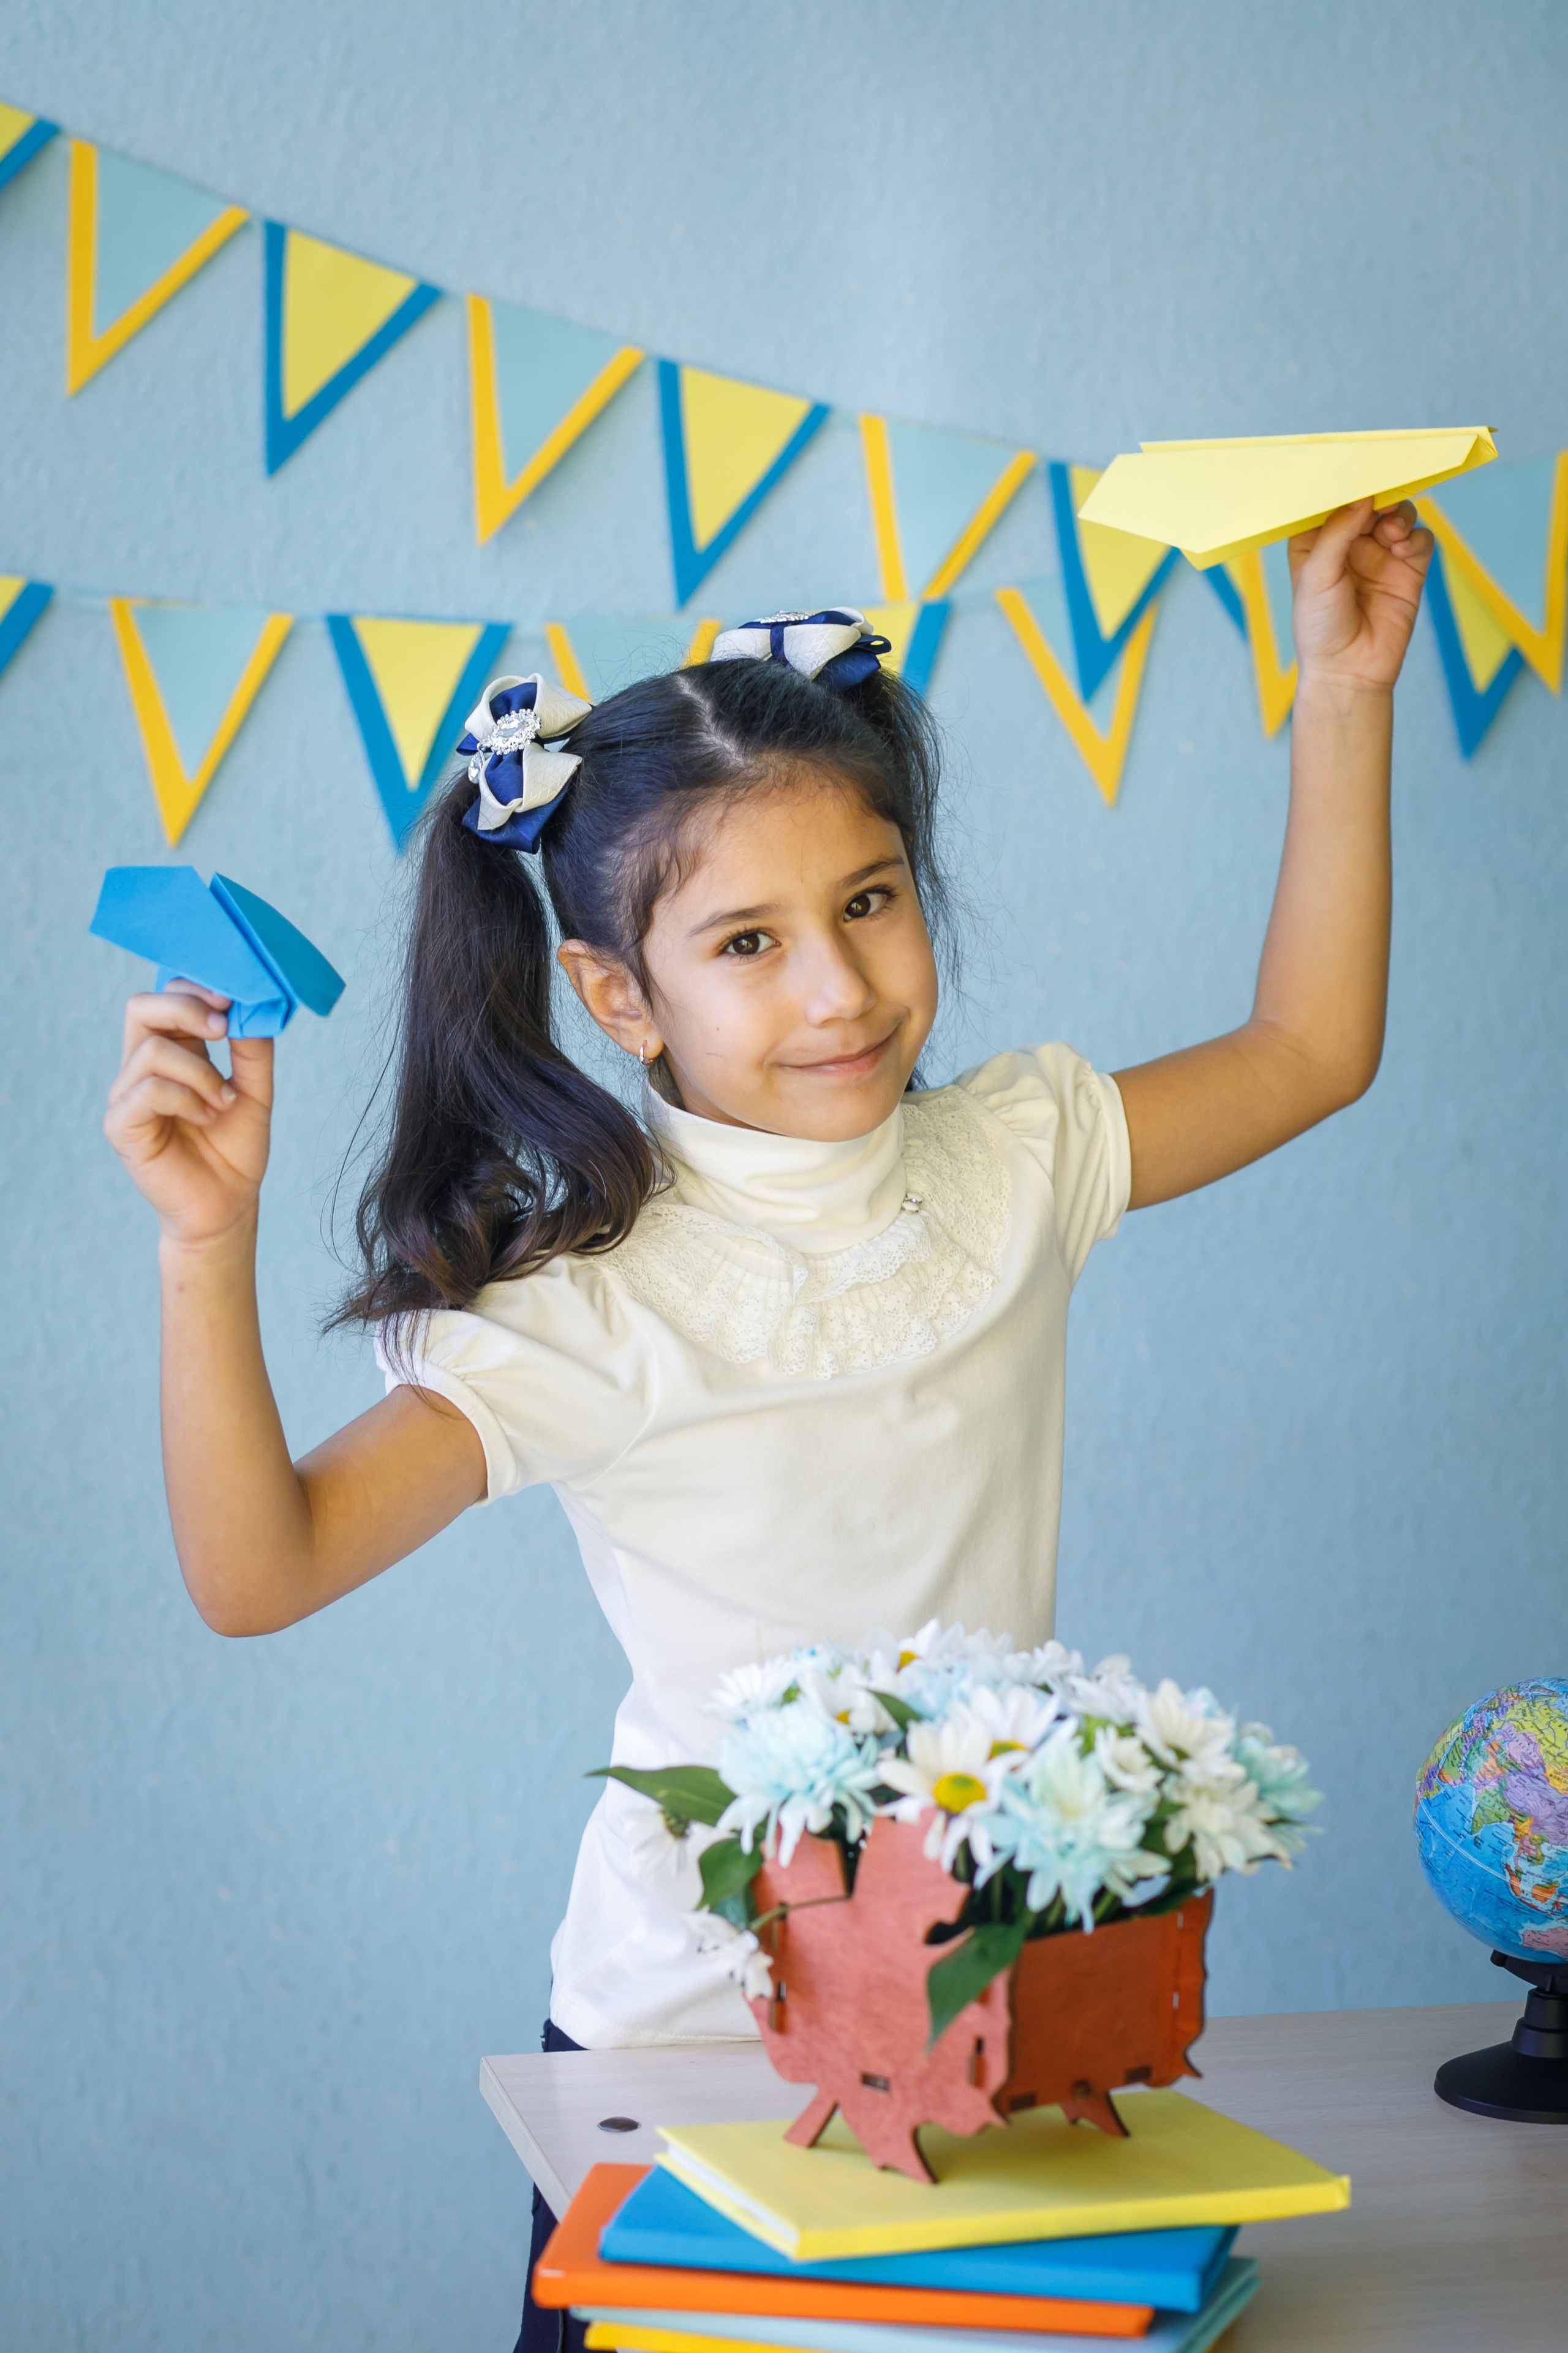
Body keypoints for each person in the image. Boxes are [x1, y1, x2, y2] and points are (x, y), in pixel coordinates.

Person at [105, 501, 1431, 2348]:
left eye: (869, 901)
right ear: (617, 996)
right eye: (747, 939)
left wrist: (1344, 691)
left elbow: (1310, 1047)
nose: (837, 985)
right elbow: (264, 1568)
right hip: (684, 2049)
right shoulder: (592, 1294)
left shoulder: (1020, 1154)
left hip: (983, 2001)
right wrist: (205, 1241)